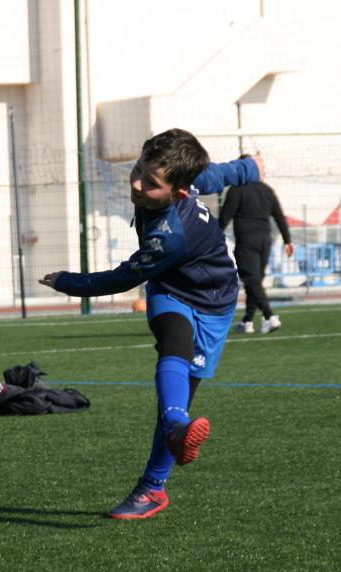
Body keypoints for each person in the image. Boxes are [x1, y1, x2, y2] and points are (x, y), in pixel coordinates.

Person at [38, 128, 262, 520]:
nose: (137, 184)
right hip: (170, 289)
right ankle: (175, 430)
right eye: (138, 169)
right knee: (173, 342)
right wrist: (250, 167)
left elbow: (121, 278)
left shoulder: (170, 237)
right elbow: (219, 173)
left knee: (180, 389)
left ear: (179, 193)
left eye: (151, 183)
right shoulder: (187, 179)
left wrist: (67, 282)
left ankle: (154, 486)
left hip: (214, 305)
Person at [218, 162, 294, 334]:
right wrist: (287, 240)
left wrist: (211, 239)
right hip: (265, 241)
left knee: (251, 279)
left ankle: (269, 316)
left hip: (247, 241)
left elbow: (224, 218)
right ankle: (248, 320)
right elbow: (279, 217)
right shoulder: (267, 190)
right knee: (255, 281)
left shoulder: (236, 190)